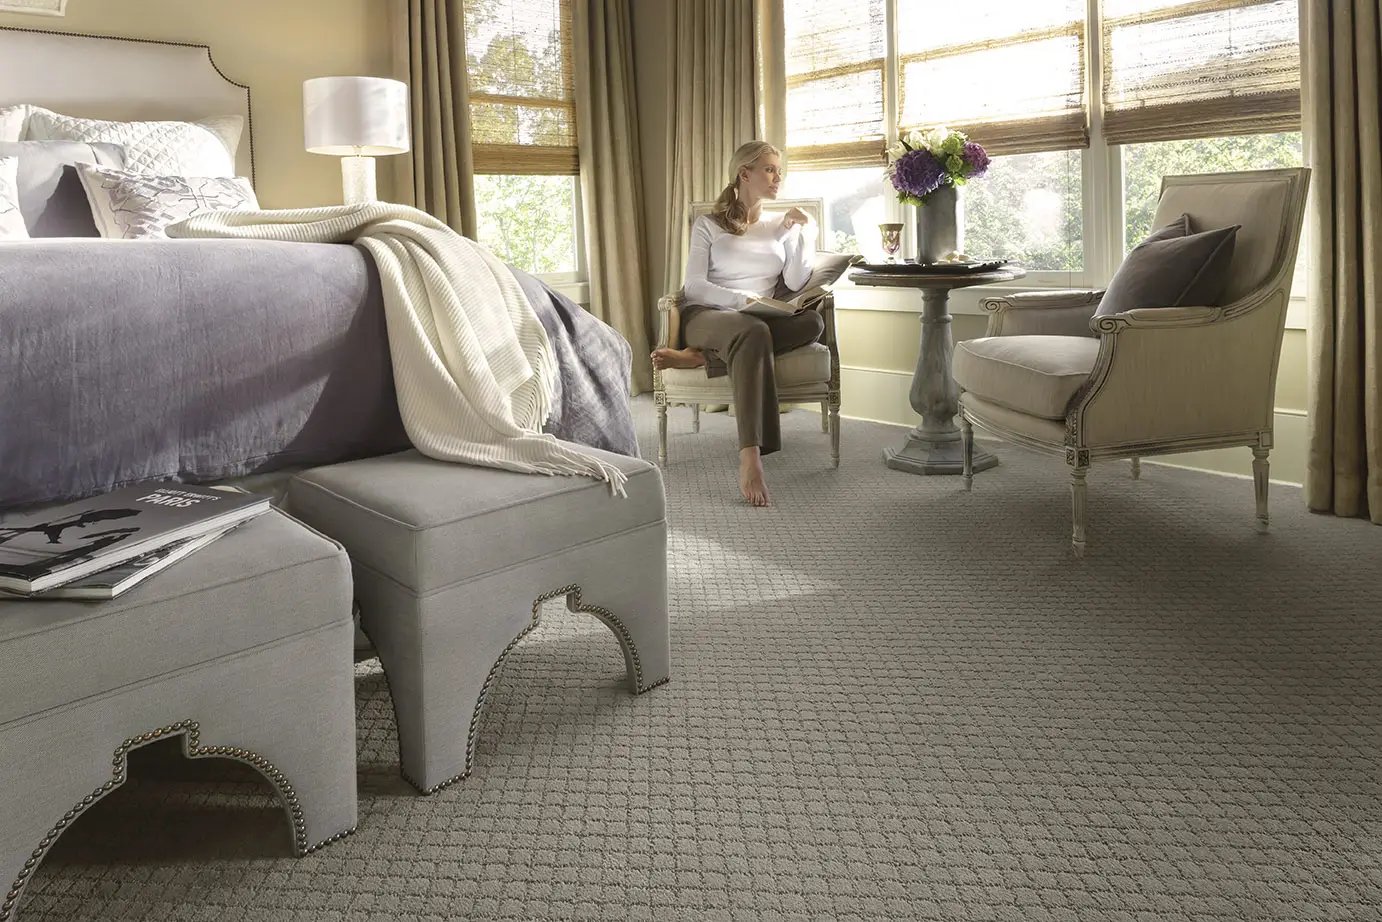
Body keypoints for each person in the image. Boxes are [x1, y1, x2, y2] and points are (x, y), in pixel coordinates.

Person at [651, 141, 825, 507]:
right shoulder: (708, 225)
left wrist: (800, 233)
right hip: (708, 315)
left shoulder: (780, 227)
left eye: (780, 170)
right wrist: (743, 303)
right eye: (769, 169)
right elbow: (694, 286)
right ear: (745, 174)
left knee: (811, 323)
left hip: (758, 320)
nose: (778, 177)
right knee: (751, 330)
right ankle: (750, 455)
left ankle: (704, 359)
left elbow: (795, 282)